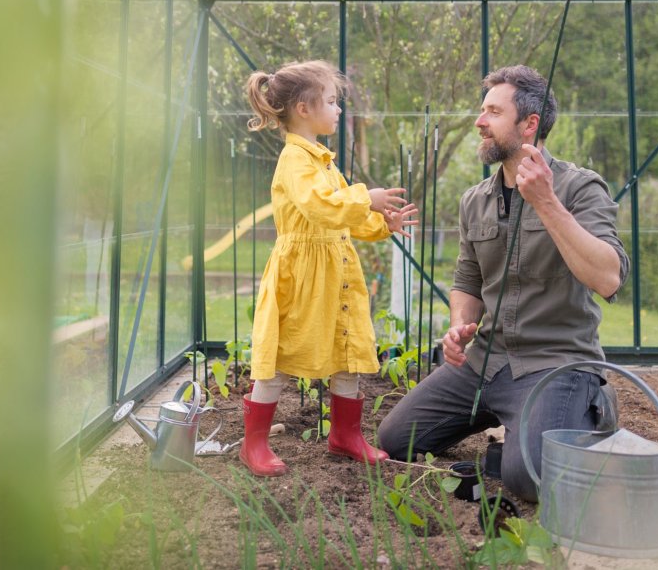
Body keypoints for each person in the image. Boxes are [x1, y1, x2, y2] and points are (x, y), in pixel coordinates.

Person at [377, 65, 630, 501]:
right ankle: (522, 424)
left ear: (529, 124)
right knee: (396, 439)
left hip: (554, 362)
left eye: (493, 111)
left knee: (527, 479)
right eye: (482, 110)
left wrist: (546, 203)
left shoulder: (579, 188)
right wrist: (459, 325)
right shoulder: (474, 201)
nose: (479, 121)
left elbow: (608, 277)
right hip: (484, 363)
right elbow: (468, 280)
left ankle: (590, 408)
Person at [241, 60, 418, 476]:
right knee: (283, 356)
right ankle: (254, 445)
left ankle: (345, 436)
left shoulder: (322, 160)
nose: (339, 110)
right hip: (302, 278)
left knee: (346, 351)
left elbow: (343, 215)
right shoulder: (294, 160)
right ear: (304, 108)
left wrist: (380, 223)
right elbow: (320, 207)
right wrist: (365, 197)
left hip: (334, 272)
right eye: (333, 101)